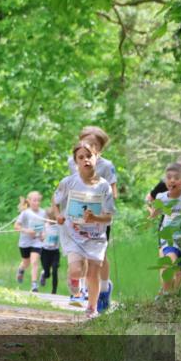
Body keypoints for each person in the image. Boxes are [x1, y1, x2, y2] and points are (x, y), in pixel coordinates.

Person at [54, 142, 117, 319]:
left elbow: (109, 217)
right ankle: (74, 281)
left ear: (97, 158)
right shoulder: (68, 182)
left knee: (92, 273)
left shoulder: (104, 186)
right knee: (76, 270)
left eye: (89, 156)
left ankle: (91, 308)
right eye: (81, 157)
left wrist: (95, 218)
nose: (85, 160)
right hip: (73, 234)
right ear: (76, 162)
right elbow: (55, 201)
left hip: (96, 237)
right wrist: (58, 215)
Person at [68, 126, 119, 307]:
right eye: (84, 142)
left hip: (98, 216)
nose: (88, 147)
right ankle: (81, 291)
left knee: (99, 257)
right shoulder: (72, 161)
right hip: (77, 215)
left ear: (100, 148)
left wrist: (100, 205)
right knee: (78, 253)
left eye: (93, 144)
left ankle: (104, 289)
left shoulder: (107, 166)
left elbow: (113, 192)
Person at [150, 161, 181, 296]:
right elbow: (154, 214)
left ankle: (174, 297)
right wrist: (152, 213)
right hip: (169, 239)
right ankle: (166, 293)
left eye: (176, 177)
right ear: (165, 180)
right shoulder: (161, 197)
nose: (172, 180)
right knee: (170, 263)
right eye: (169, 177)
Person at [14, 191, 46, 292]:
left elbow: (44, 226)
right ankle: (21, 269)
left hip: (37, 241)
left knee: (34, 261)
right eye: (34, 200)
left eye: (38, 200)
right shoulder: (25, 213)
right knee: (26, 262)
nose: (37, 203)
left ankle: (34, 284)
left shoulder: (43, 213)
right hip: (25, 242)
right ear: (29, 201)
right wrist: (27, 231)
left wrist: (43, 234)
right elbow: (16, 226)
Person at [40, 204, 62, 295]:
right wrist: (42, 236)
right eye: (50, 218)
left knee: (55, 269)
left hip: (55, 252)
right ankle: (44, 274)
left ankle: (54, 291)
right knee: (47, 273)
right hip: (45, 251)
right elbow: (40, 236)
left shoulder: (59, 226)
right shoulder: (45, 226)